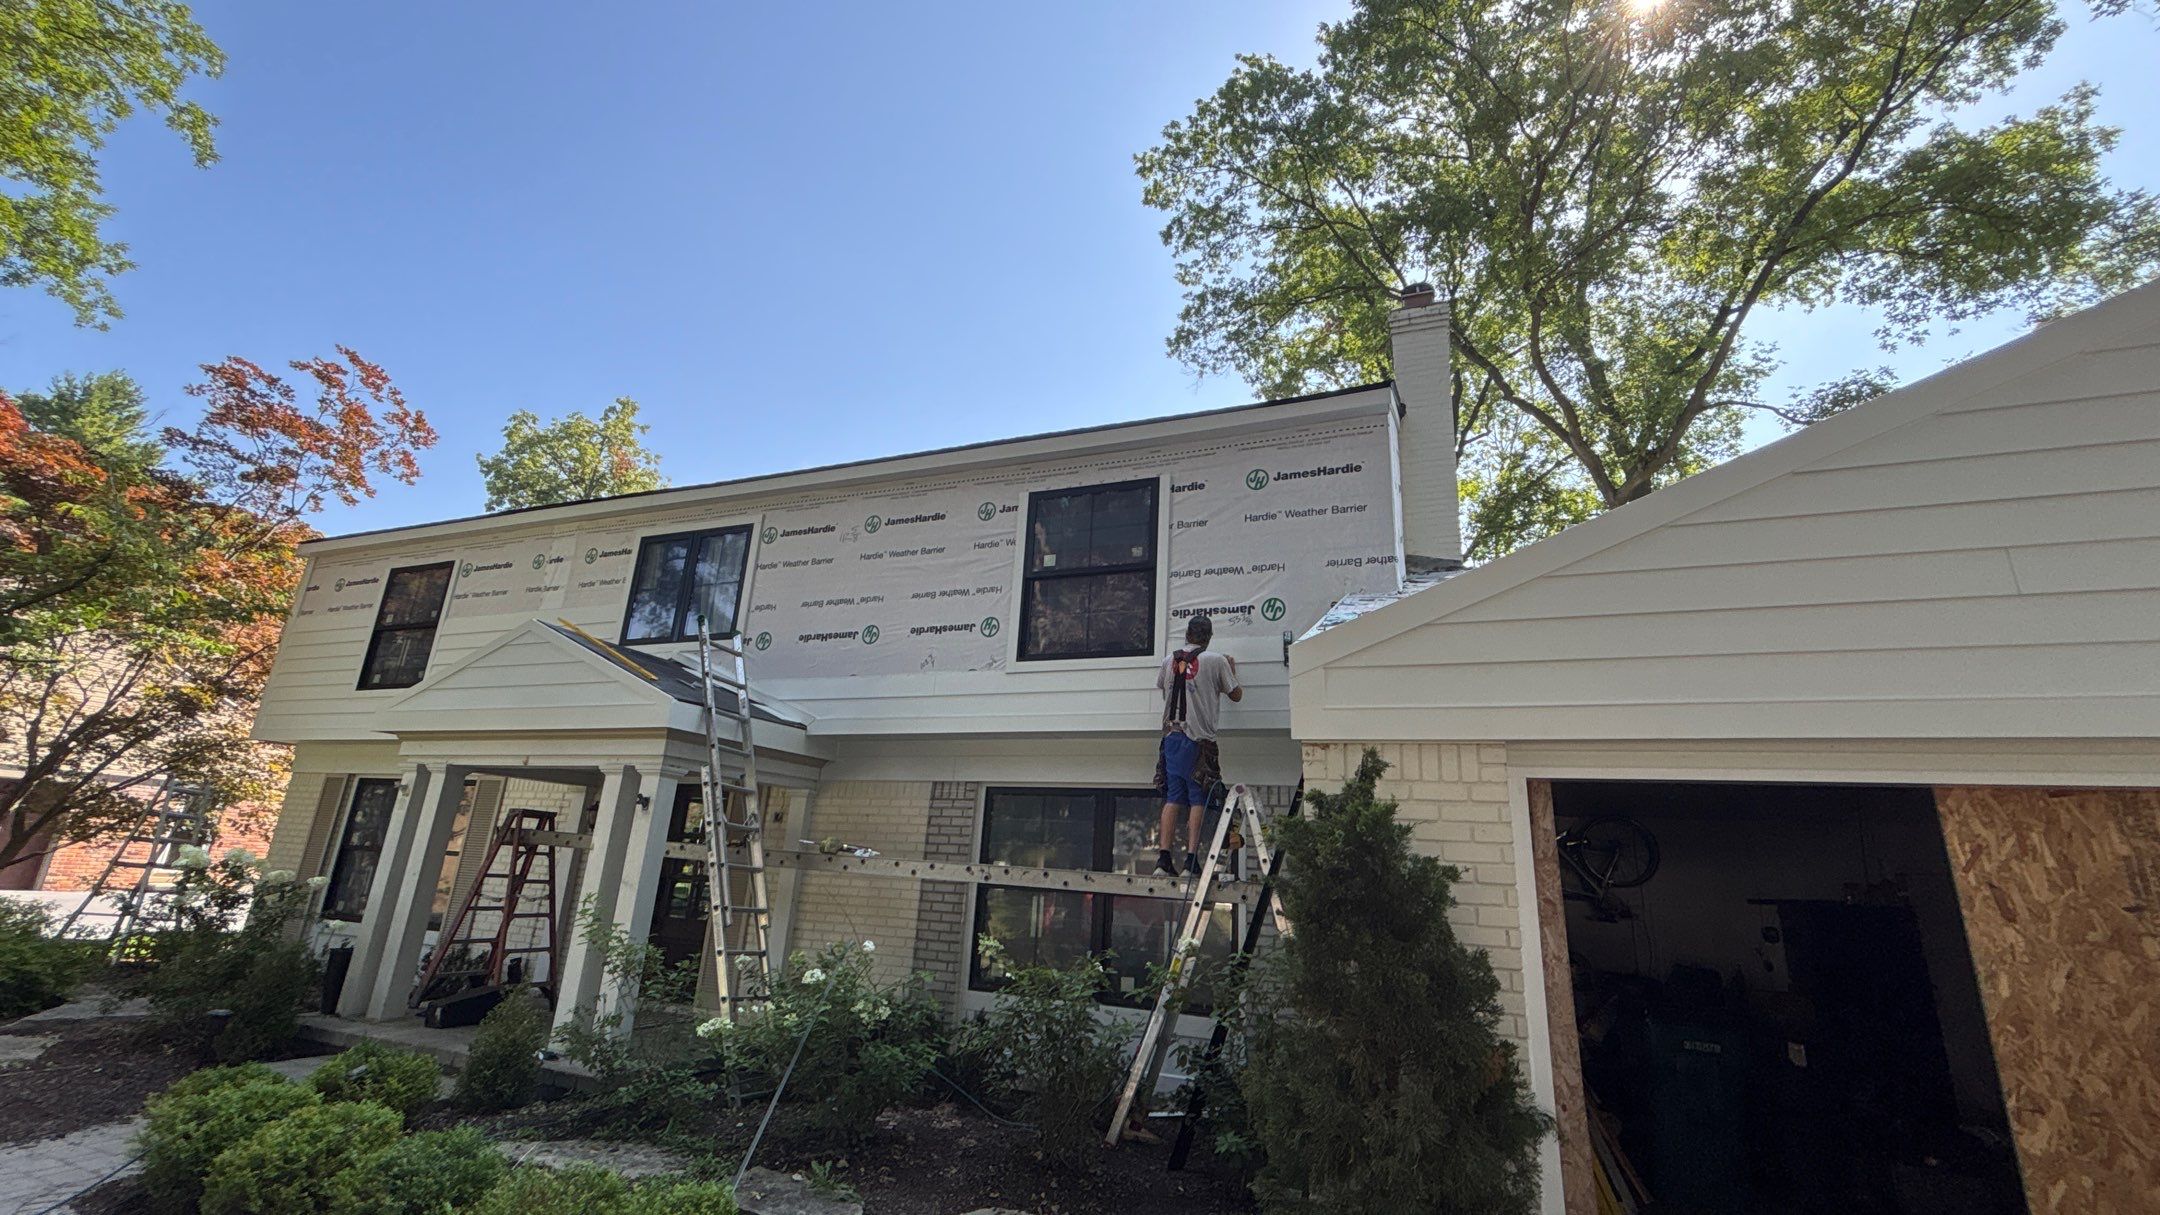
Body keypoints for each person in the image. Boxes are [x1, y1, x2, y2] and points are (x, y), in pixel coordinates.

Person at [1153, 613, 1242, 877]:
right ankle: (1190, 862)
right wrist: (1231, 672)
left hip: (1171, 738)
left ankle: (1163, 859)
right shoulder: (1215, 661)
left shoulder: (1170, 660)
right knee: (1197, 799)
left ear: (1187, 635)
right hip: (1198, 741)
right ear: (1208, 637)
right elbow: (1236, 695)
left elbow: (1163, 689)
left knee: (1172, 798)